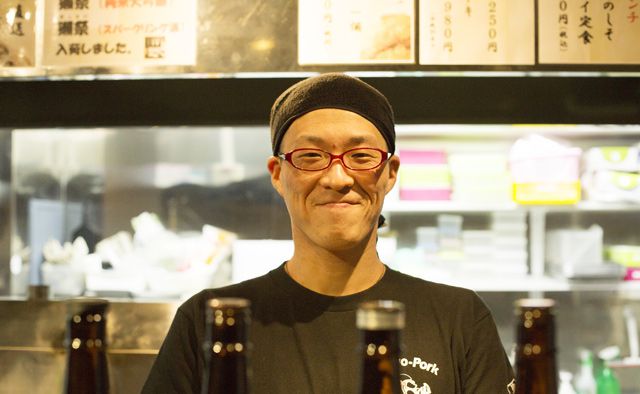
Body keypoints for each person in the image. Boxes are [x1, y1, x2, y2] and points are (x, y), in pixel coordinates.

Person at [142, 73, 515, 393]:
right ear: (277, 174)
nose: (338, 178)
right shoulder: (211, 321)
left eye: (362, 156)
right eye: (310, 156)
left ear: (390, 173)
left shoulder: (459, 319)